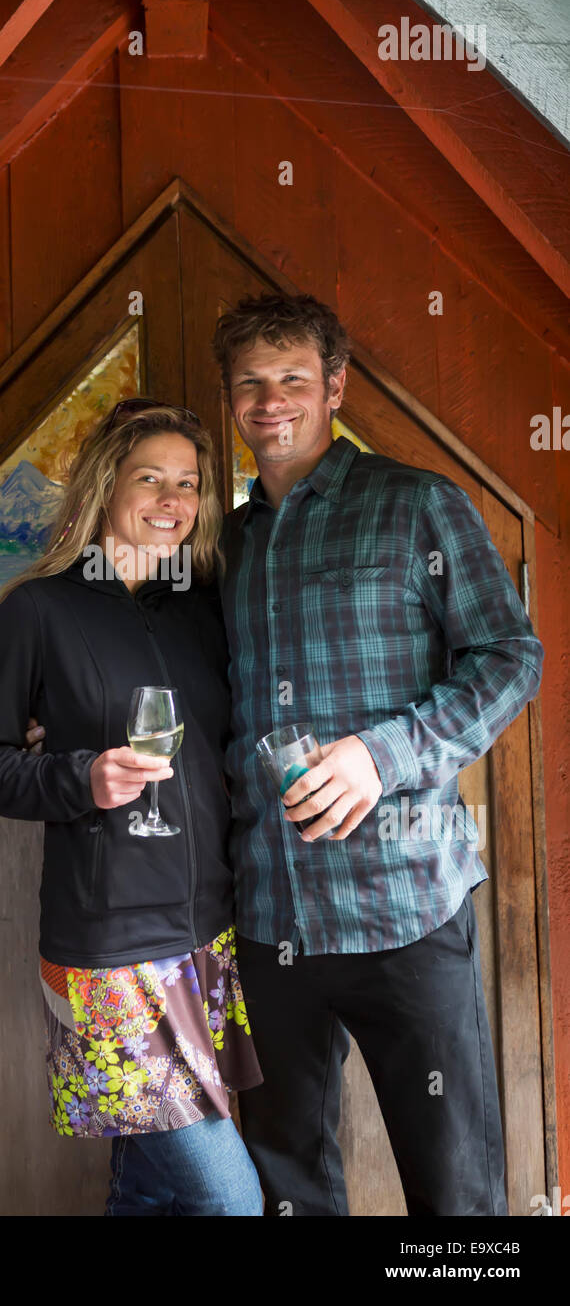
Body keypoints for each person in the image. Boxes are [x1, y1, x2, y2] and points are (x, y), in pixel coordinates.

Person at [212, 290, 544, 1216]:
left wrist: (383, 754)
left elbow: (512, 657)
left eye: (291, 379)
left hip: (406, 904)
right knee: (287, 1184)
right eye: (249, 384)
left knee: (454, 1190)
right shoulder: (228, 543)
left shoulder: (416, 506)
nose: (269, 402)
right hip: (271, 914)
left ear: (336, 387)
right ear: (230, 401)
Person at [0, 399, 264, 1216]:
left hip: (208, 936)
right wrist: (80, 777)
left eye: (189, 484)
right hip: (109, 944)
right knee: (227, 1201)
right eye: (150, 478)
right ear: (106, 485)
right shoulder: (39, 611)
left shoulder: (204, 605)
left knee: (153, 1182)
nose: (172, 500)